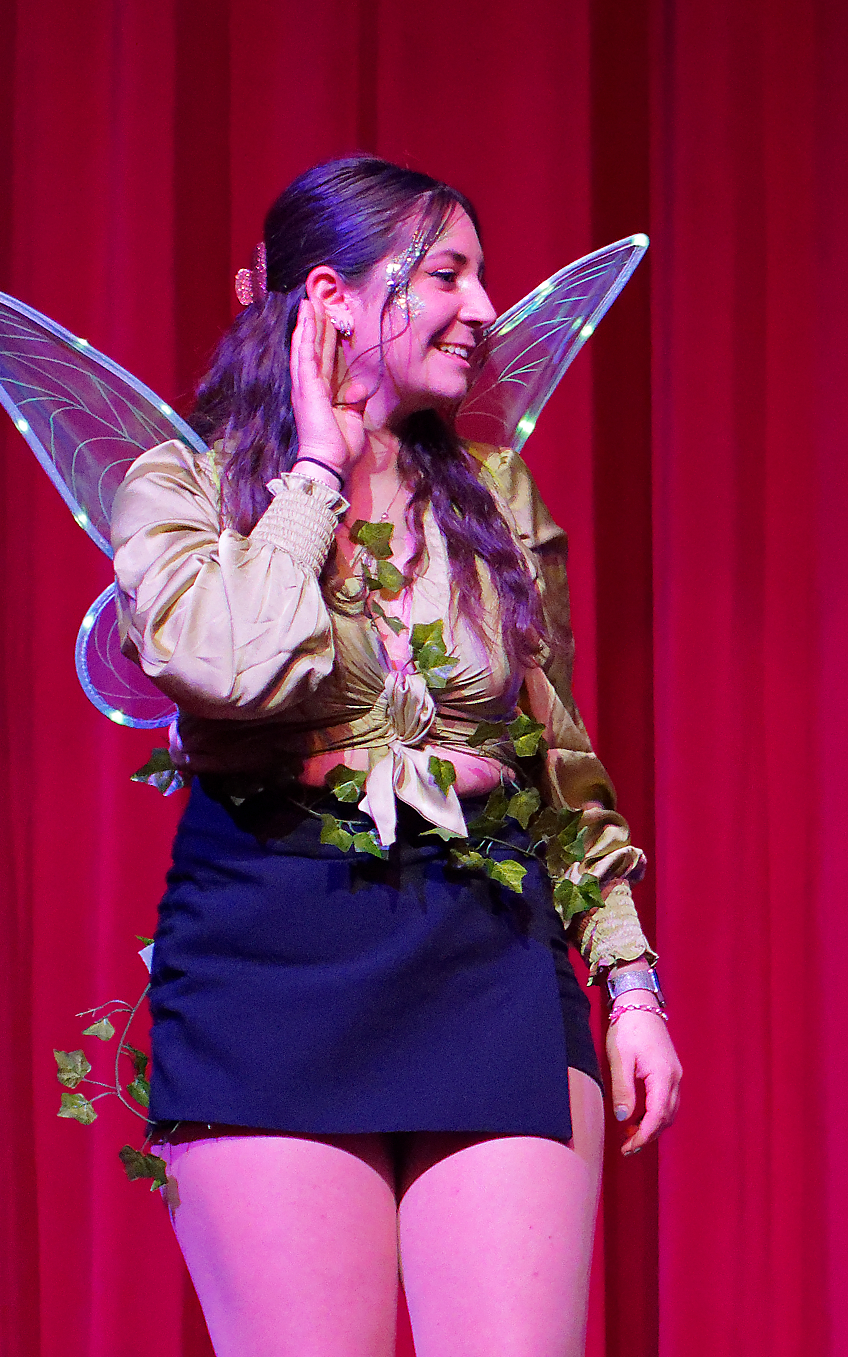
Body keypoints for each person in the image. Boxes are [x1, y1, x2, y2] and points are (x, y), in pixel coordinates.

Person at [109, 156, 680, 1356]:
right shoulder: (183, 487)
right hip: (271, 954)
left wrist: (628, 981)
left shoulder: (493, 497)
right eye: (448, 275)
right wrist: (317, 471)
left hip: (486, 948)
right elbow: (231, 667)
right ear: (331, 299)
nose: (485, 308)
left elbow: (555, 756)